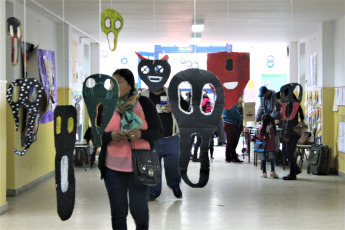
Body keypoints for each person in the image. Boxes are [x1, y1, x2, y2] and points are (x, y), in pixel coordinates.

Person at [98, 69, 164, 229]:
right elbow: (96, 134)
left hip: (140, 166)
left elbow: (158, 131)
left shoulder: (144, 104)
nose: (114, 86)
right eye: (111, 83)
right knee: (118, 212)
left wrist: (141, 133)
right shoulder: (105, 106)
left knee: (139, 210)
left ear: (130, 85)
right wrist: (110, 136)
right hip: (112, 169)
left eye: (118, 82)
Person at [141, 86, 189, 201]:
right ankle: (153, 192)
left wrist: (175, 108)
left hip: (171, 138)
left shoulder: (172, 93)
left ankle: (175, 185)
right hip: (152, 140)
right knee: (152, 167)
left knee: (172, 166)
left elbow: (187, 108)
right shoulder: (142, 96)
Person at [280, 88, 304, 180]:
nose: (282, 96)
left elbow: (289, 121)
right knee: (288, 152)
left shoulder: (290, 104)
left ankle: (293, 172)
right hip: (292, 132)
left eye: (283, 94)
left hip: (291, 133)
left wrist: (286, 135)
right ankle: (295, 170)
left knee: (288, 153)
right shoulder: (293, 103)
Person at [257, 114, 279, 178]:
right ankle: (272, 171)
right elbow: (276, 138)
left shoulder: (261, 127)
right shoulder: (273, 127)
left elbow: (259, 137)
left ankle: (264, 173)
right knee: (272, 159)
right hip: (271, 147)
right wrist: (276, 147)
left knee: (263, 160)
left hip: (263, 147)